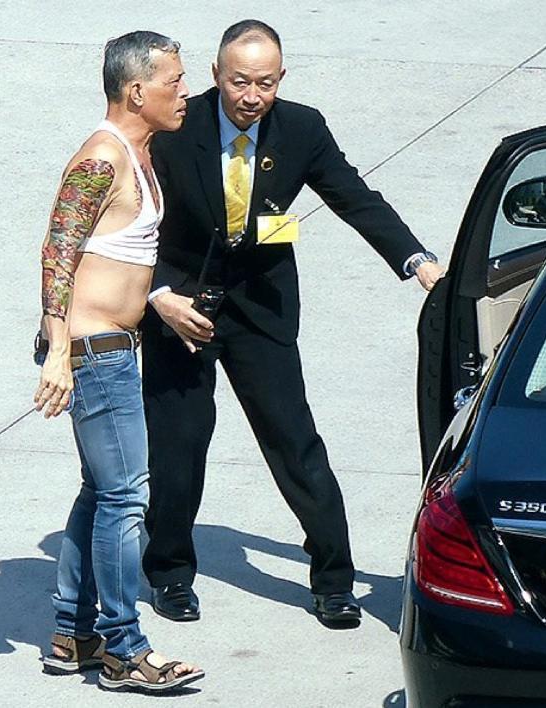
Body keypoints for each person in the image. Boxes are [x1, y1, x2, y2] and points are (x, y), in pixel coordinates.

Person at [141, 19, 443, 627]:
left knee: (296, 445)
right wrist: (157, 296)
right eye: (240, 82)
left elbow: (354, 196)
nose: (252, 96)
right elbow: (128, 228)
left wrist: (416, 260)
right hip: (181, 311)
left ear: (282, 79)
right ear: (215, 76)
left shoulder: (302, 127)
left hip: (261, 312)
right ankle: (169, 572)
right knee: (179, 450)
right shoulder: (175, 129)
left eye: (266, 83)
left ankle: (333, 580)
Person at [33, 31, 204, 693]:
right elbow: (56, 253)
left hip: (113, 348)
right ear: (138, 91)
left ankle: (71, 636)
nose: (184, 93)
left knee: (102, 492)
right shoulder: (103, 157)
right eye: (175, 82)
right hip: (94, 354)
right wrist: (57, 353)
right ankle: (123, 648)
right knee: (128, 498)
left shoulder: (140, 151)